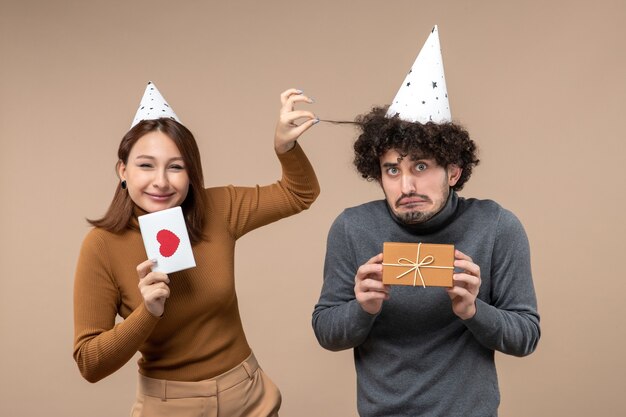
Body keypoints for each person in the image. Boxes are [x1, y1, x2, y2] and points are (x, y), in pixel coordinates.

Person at [312, 27, 539, 417]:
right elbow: (327, 332)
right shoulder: (352, 228)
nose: (407, 185)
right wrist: (361, 308)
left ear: (453, 171)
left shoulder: (497, 226)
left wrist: (472, 309)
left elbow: (526, 336)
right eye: (392, 169)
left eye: (420, 165)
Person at [73, 83, 320, 417]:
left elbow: (298, 194)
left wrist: (284, 146)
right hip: (169, 405)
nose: (161, 181)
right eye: (146, 165)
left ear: (191, 174)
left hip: (248, 395)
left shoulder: (218, 208)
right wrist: (148, 311)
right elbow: (90, 363)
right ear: (123, 171)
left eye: (175, 167)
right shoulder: (102, 245)